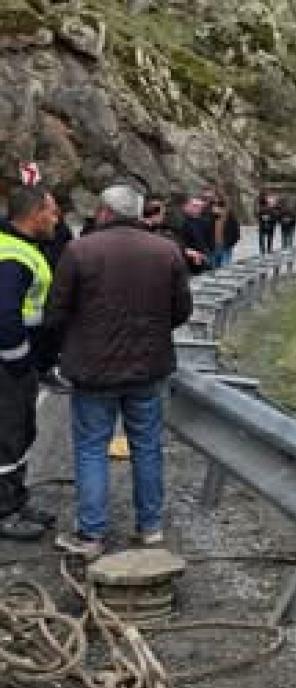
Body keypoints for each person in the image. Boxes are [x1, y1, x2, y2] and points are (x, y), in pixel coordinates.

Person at [46, 185, 193, 558]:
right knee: (147, 447)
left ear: (104, 212)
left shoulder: (79, 250)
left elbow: (57, 312)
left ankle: (91, 536)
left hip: (92, 369)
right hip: (149, 367)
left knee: (92, 448)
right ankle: (151, 528)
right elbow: (181, 310)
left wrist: (66, 345)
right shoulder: (166, 251)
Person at [0, 183, 60, 540]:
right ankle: (5, 512)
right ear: (36, 213)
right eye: (52, 211)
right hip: (7, 366)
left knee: (19, 432)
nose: (57, 219)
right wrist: (20, 360)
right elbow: (5, 316)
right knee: (7, 436)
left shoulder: (22, 248)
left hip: (14, 362)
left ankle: (15, 501)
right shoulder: (14, 257)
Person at [209, 190, 240, 268]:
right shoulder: (209, 216)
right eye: (214, 203)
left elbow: (236, 231)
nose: (216, 206)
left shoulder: (230, 215)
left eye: (219, 203)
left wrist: (230, 244)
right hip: (213, 247)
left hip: (225, 247)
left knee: (225, 269)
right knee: (213, 270)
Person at [257, 190, 279, 255]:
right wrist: (261, 216)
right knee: (262, 236)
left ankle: (269, 249)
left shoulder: (274, 202)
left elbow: (277, 211)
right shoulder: (260, 202)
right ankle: (263, 250)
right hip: (263, 221)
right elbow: (257, 211)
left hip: (271, 221)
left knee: (269, 236)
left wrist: (273, 215)